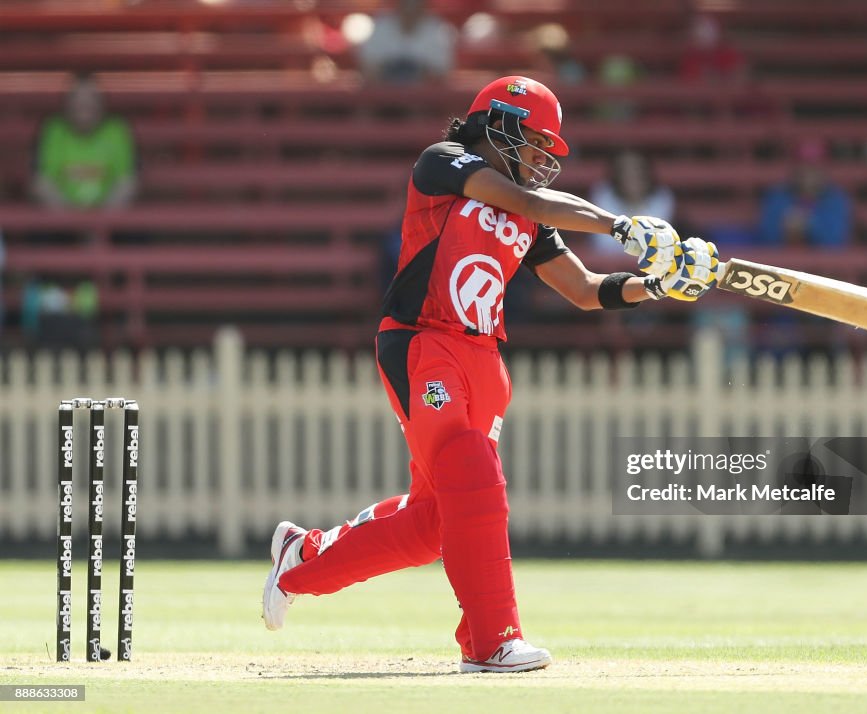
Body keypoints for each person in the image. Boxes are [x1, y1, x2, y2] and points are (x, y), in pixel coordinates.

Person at [261, 75, 719, 673]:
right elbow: (526, 202)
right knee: (471, 468)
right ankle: (490, 640)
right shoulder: (443, 163)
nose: (538, 160)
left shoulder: (530, 208)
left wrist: (655, 287)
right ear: (498, 124)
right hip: (424, 342)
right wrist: (620, 225)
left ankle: (302, 559)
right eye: (533, 144)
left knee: (431, 525)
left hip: (483, 358)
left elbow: (583, 290)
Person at [32, 74, 137, 210]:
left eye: (91, 99)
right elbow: (42, 183)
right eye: (78, 99)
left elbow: (127, 183)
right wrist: (72, 222)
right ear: (67, 103)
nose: (84, 105)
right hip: (59, 222)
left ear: (102, 103)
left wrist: (101, 222)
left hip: (111, 223)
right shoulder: (53, 130)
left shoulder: (117, 130)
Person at [757, 138, 851, 249]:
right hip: (780, 262)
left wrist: (809, 225)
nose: (808, 174)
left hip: (823, 264)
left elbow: (836, 241)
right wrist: (786, 228)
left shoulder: (835, 199)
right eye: (804, 166)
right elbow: (766, 238)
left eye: (814, 167)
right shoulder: (777, 196)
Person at [589, 150, 676, 255]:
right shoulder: (603, 194)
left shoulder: (662, 197)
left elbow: (661, 243)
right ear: (616, 174)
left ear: (647, 173)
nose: (632, 176)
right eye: (625, 171)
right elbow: (605, 245)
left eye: (637, 170)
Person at [357, 0, 457, 84]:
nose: (410, 6)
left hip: (424, 100)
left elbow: (442, 72)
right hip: (383, 96)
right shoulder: (381, 25)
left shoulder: (438, 29)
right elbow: (368, 67)